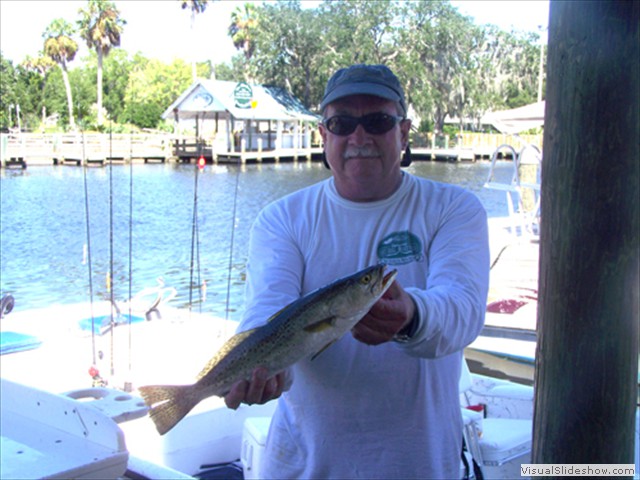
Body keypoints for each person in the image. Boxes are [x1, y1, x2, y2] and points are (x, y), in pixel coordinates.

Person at [224, 64, 490, 479]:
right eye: (343, 123)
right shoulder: (283, 219)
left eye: (378, 121)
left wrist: (411, 315)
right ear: (323, 134)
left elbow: (463, 310)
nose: (359, 137)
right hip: (302, 468)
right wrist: (262, 373)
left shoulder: (453, 208)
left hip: (419, 467)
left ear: (403, 133)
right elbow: (266, 313)